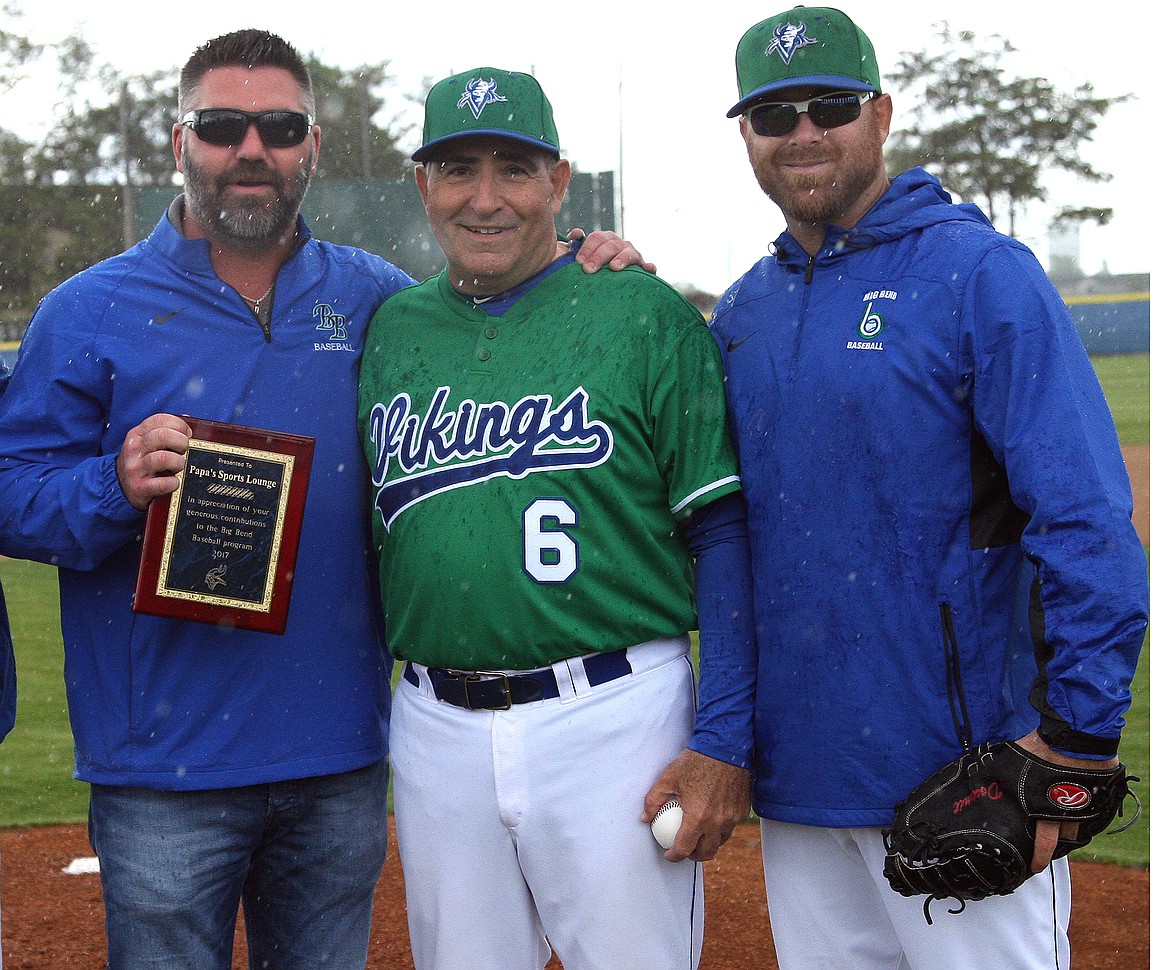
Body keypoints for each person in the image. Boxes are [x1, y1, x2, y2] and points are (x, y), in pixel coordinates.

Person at [0, 30, 646, 970]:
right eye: (223, 126)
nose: (251, 148)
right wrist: (113, 482)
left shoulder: (378, 297)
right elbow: (12, 493)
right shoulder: (87, 309)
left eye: (279, 126)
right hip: (162, 771)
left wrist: (584, 263)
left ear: (313, 146)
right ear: (179, 139)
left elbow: (501, 314)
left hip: (338, 755)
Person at [711, 7, 1149, 970]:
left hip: (967, 776)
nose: (803, 133)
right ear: (746, 134)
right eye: (773, 115)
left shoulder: (979, 274)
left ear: (881, 114)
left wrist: (1074, 743)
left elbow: (1083, 518)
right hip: (801, 788)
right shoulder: (742, 308)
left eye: (829, 105)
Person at [358, 67, 755, 970]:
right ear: (424, 185)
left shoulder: (641, 312)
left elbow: (721, 532)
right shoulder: (393, 329)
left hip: (616, 713)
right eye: (458, 170)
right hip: (432, 725)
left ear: (559, 183)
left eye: (515, 169)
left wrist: (724, 736)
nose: (486, 198)